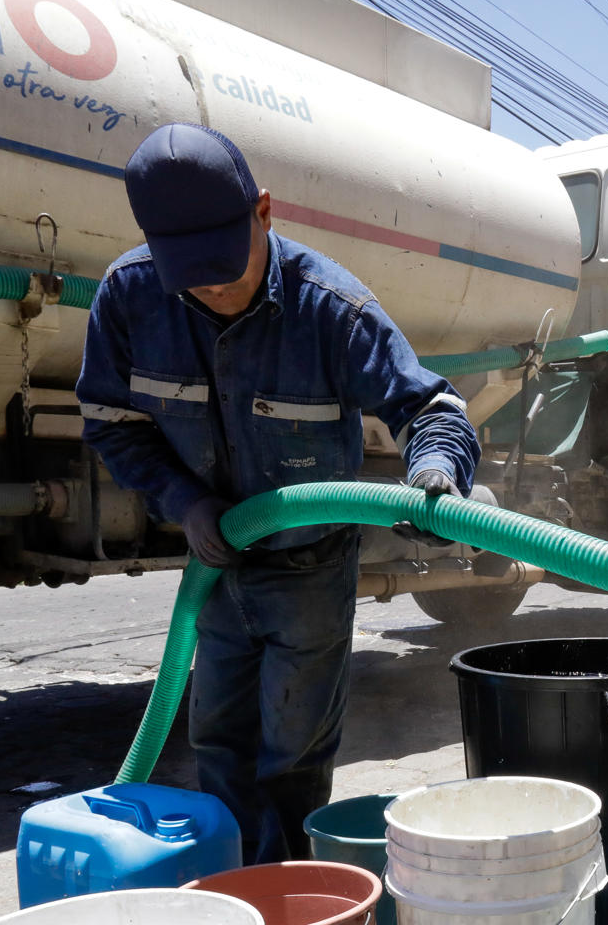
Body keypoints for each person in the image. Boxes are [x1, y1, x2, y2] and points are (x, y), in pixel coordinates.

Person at [77, 123, 480, 864]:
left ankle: (294, 896)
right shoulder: (131, 297)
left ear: (263, 210)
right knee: (218, 745)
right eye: (192, 275)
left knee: (291, 758)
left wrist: (435, 475)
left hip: (309, 567)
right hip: (218, 564)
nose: (214, 289)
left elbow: (432, 411)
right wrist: (185, 502)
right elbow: (111, 426)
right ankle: (236, 897)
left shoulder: (332, 308)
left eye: (226, 268)